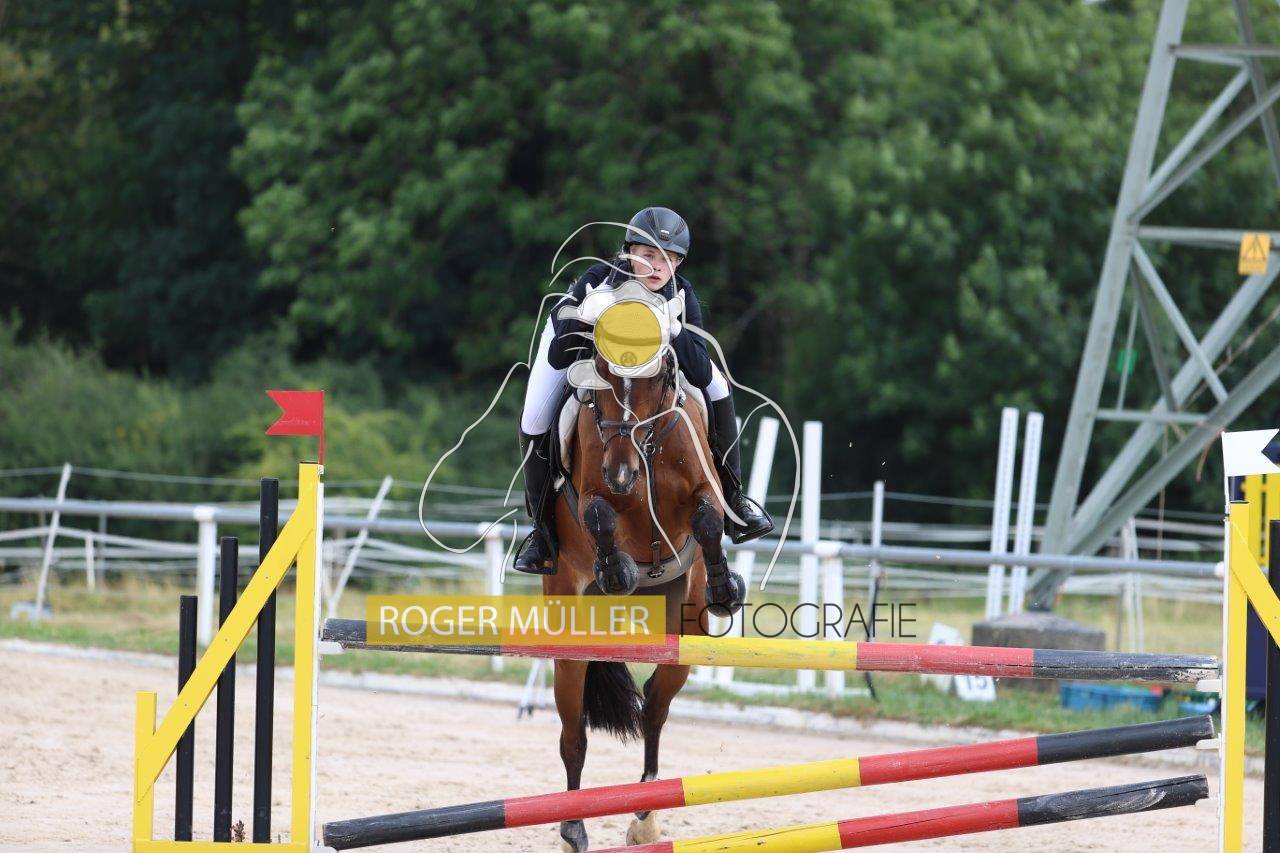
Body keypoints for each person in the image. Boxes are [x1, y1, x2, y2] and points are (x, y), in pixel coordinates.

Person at [513, 206, 774, 575]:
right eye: (649, 255)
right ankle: (542, 532)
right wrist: (590, 316)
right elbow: (559, 353)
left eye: (668, 259)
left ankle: (735, 499)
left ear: (678, 264)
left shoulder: (681, 294)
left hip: (652, 371)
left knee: (718, 387)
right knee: (535, 418)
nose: (657, 267)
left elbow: (700, 370)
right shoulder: (597, 281)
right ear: (629, 252)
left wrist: (672, 327)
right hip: (574, 354)